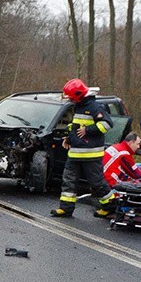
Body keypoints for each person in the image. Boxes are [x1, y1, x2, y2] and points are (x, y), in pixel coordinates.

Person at [50, 78, 118, 218]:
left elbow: (107, 124)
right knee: (68, 181)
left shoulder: (94, 107)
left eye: (71, 97)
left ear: (78, 95)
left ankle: (109, 206)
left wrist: (89, 130)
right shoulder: (79, 106)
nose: (70, 100)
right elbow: (75, 128)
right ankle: (66, 208)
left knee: (96, 183)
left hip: (90, 155)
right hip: (75, 153)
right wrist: (69, 138)